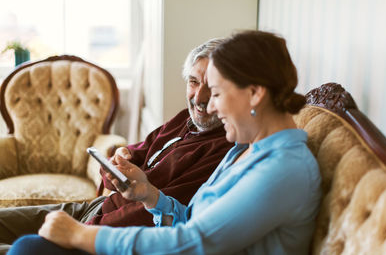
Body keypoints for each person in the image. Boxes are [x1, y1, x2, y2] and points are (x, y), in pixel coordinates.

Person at [9, 30, 322, 255]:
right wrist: (150, 195)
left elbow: (193, 241)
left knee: (28, 248)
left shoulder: (284, 169)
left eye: (215, 93)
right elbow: (191, 219)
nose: (208, 105)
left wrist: (82, 235)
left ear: (254, 93)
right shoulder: (246, 149)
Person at [0, 38, 233, 254]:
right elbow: (135, 153)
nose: (199, 97)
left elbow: (148, 219)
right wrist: (119, 160)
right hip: (98, 208)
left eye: (211, 88)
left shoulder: (222, 149)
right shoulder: (184, 119)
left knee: (22, 249)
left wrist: (83, 229)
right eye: (193, 82)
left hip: (106, 232)